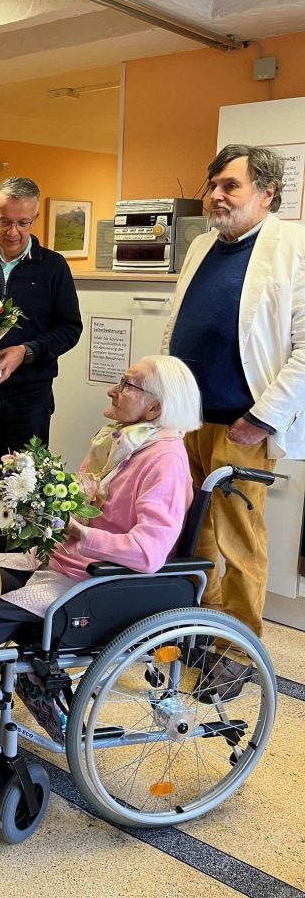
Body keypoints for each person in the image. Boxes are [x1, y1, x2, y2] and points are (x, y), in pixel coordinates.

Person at [0, 355, 201, 831]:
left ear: (156, 407)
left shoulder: (165, 461)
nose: (113, 391)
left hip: (98, 583)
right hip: (61, 562)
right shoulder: (119, 443)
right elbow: (75, 496)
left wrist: (80, 535)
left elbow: (149, 551)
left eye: (126, 385)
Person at [164, 143, 305, 695]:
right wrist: (161, 402)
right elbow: (175, 330)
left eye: (231, 186)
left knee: (239, 538)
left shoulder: (292, 247)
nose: (217, 196)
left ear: (266, 194)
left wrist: (262, 417)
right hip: (187, 419)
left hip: (242, 423)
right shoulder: (201, 246)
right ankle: (202, 624)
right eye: (214, 184)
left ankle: (238, 647)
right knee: (194, 532)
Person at [0, 176, 82, 493]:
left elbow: (70, 328)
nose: (13, 232)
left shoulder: (53, 267)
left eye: (23, 223)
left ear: (35, 218)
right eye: (5, 221)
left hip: (30, 396)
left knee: (29, 483)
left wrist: (26, 351)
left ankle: (28, 546)